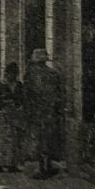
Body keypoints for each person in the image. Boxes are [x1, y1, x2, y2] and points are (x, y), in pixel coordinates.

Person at [25, 48, 65, 179]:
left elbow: (28, 94)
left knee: (39, 140)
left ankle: (43, 168)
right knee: (49, 139)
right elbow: (60, 94)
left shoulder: (31, 75)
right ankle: (48, 166)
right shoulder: (54, 74)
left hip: (37, 112)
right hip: (51, 112)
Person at [0, 61, 24, 172]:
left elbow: (22, 99)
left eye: (14, 74)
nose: (12, 76)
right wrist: (3, 105)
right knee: (1, 140)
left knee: (14, 140)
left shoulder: (19, 85)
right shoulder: (0, 85)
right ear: (6, 73)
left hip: (15, 115)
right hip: (3, 115)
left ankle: (12, 164)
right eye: (10, 73)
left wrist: (18, 106)